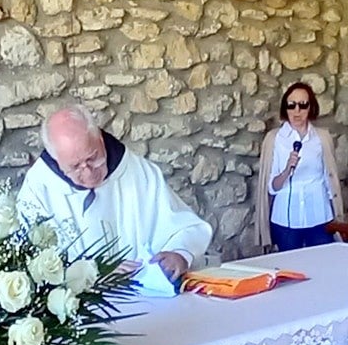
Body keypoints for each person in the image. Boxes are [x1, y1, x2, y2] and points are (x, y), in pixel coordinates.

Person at [15, 103, 212, 289]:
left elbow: (184, 227)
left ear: (100, 138)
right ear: (57, 160)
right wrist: (96, 275)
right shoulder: (39, 187)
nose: (88, 172)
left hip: (148, 298)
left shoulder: (135, 171)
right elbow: (31, 262)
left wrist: (179, 254)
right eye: (75, 167)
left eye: (93, 158)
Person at [255, 81, 345, 252]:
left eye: (303, 105)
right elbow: (272, 188)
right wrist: (287, 169)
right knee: (290, 270)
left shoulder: (322, 137)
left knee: (323, 266)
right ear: (285, 108)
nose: (297, 111)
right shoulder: (275, 139)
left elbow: (329, 178)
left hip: (320, 215)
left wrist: (337, 212)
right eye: (292, 105)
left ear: (310, 108)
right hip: (286, 220)